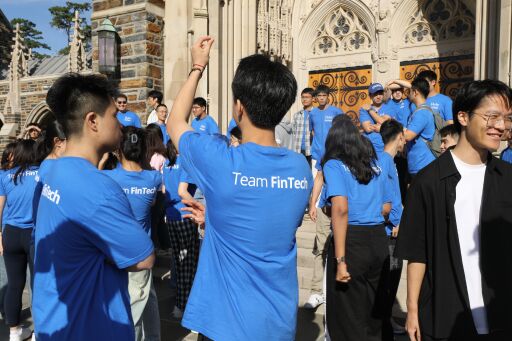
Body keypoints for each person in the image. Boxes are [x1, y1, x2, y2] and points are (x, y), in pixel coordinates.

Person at [167, 36, 312, 340]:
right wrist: (218, 216)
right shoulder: (300, 169)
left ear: (239, 108)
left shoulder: (220, 161)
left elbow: (176, 122)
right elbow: (272, 222)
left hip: (224, 325)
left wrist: (197, 66)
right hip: (277, 324)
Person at [33, 73, 155, 341]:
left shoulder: (50, 168)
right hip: (90, 327)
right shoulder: (99, 188)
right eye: (114, 115)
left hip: (51, 320)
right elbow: (143, 258)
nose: (121, 124)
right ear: (93, 121)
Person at [396, 80, 512, 341]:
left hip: (502, 317)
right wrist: (412, 309)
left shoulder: (507, 178)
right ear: (463, 117)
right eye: (492, 117)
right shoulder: (428, 181)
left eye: (506, 118)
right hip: (447, 318)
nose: (501, 126)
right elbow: (418, 252)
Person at [323, 116, 392, 341]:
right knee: (373, 314)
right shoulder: (374, 165)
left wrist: (341, 261)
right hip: (378, 238)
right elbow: (386, 207)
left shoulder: (333, 164)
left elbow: (340, 208)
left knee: (347, 315)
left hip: (352, 239)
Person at [104, 126, 162, 341]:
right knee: (146, 297)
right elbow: (154, 202)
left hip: (117, 251)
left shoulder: (108, 177)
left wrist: (106, 159)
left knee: (133, 308)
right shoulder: (153, 179)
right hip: (143, 250)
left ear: (119, 149)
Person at [0, 140, 39, 341]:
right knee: (38, 283)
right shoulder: (41, 174)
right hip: (34, 234)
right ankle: (39, 332)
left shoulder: (5, 175)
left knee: (15, 284)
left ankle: (14, 332)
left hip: (11, 234)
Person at [162, 140, 199, 320]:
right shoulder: (184, 162)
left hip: (171, 216)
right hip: (185, 215)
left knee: (178, 261)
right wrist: (199, 207)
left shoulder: (166, 164)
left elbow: (163, 190)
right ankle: (183, 305)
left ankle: (179, 302)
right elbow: (182, 190)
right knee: (188, 264)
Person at [379, 119, 406, 335]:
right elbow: (387, 198)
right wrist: (394, 221)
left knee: (392, 276)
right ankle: (384, 322)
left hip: (392, 227)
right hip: (390, 231)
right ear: (399, 137)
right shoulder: (385, 161)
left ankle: (387, 319)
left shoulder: (387, 161)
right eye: (403, 138)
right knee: (391, 275)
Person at [405, 77, 436, 178]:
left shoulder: (422, 113)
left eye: (410, 91)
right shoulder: (421, 111)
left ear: (415, 92)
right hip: (420, 164)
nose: (408, 94)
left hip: (423, 165)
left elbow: (408, 136)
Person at [0, 142, 17, 322]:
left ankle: (7, 310)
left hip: (12, 229)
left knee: (11, 278)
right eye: (12, 155)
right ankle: (5, 310)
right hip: (5, 228)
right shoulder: (2, 175)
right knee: (5, 276)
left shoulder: (20, 174)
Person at [309, 84, 343, 163]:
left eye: (324, 95)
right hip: (316, 154)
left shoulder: (336, 111)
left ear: (328, 96)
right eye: (319, 95)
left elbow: (343, 130)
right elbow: (312, 130)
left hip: (333, 153)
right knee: (316, 175)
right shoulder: (312, 113)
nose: (321, 98)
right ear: (316, 97)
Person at [360, 83, 396, 154]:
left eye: (380, 93)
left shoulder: (389, 108)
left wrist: (370, 110)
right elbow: (367, 128)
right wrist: (384, 127)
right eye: (375, 94)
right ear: (370, 96)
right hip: (368, 148)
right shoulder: (364, 109)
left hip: (386, 148)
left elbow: (384, 123)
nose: (378, 96)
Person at [291, 88, 314, 166]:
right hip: (298, 150)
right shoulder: (297, 115)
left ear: (313, 98)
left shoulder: (316, 114)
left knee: (311, 174)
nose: (304, 99)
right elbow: (293, 133)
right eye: (303, 97)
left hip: (311, 150)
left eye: (307, 97)